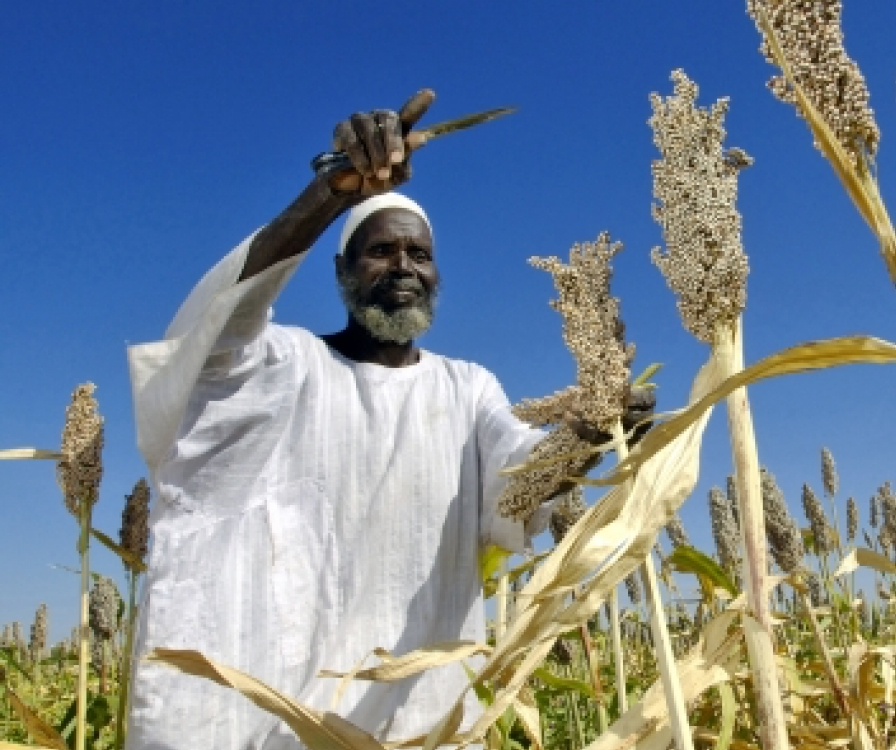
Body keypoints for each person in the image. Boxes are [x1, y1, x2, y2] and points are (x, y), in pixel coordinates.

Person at [125, 90, 647, 749]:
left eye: (419, 255)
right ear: (342, 271)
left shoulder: (466, 388)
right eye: (380, 251)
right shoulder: (287, 365)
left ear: (437, 275)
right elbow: (210, 339)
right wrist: (331, 193)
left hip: (427, 724)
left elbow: (519, 481)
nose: (403, 265)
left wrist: (587, 438)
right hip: (289, 728)